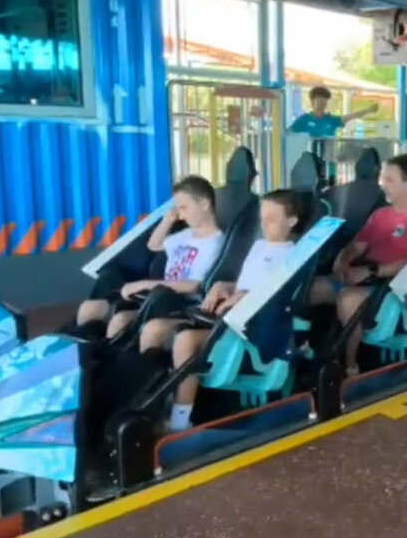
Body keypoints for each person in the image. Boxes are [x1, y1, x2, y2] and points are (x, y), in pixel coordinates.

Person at [155, 190, 302, 432]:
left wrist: (243, 297)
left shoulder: (292, 255)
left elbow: (276, 295)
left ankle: (180, 422)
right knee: (166, 331)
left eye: (272, 219)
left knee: (185, 340)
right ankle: (169, 399)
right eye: (262, 218)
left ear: (292, 221)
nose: (264, 225)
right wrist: (224, 286)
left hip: (253, 329)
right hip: (228, 318)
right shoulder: (259, 246)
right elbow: (244, 282)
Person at [310, 154, 407, 376]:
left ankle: (348, 368)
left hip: (392, 286)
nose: (383, 185)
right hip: (365, 277)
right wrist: (342, 262)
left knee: (348, 300)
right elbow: (356, 246)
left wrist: (370, 271)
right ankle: (307, 351)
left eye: (390, 180)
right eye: (383, 179)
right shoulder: (380, 215)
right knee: (310, 289)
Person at [75, 176, 225, 339]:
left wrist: (142, 284)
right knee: (88, 308)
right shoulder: (185, 235)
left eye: (184, 208)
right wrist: (167, 221)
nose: (180, 216)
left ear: (204, 203)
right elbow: (154, 245)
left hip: (178, 302)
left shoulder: (216, 243)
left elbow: (193, 285)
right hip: (155, 298)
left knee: (120, 320)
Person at [288, 86, 378, 139]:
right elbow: (288, 133)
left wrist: (368, 110)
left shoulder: (331, 120)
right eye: (319, 100)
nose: (322, 103)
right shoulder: (303, 120)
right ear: (312, 101)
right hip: (309, 160)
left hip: (328, 160)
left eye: (324, 100)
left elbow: (350, 116)